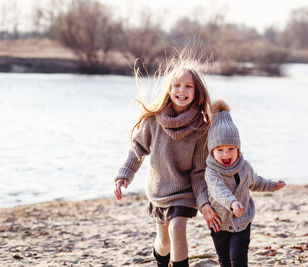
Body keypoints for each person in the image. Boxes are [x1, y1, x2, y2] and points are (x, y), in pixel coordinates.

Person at [114, 54, 221, 267]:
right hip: (159, 190)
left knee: (177, 228)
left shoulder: (201, 129)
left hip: (184, 192)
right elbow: (138, 149)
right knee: (163, 243)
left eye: (188, 86)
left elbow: (199, 172)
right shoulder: (154, 121)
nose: (182, 90)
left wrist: (204, 202)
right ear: (169, 89)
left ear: (197, 92)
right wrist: (124, 175)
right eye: (177, 85)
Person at [205, 100, 286, 267]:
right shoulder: (211, 171)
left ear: (239, 149)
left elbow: (255, 182)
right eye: (220, 150)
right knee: (224, 260)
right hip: (219, 223)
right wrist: (233, 203)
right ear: (212, 151)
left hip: (242, 222)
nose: (226, 154)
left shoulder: (244, 166)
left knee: (238, 257)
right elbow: (218, 191)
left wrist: (272, 185)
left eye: (231, 149)